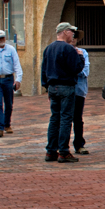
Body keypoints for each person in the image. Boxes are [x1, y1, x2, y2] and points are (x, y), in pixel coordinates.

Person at [41, 22, 86, 163]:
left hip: (52, 86)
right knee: (66, 119)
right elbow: (76, 68)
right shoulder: (69, 49)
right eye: (71, 31)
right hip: (66, 86)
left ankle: (51, 151)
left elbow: (44, 69)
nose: (73, 34)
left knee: (55, 118)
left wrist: (46, 87)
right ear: (65, 32)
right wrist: (80, 57)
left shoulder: (49, 48)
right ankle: (64, 151)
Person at [72, 29, 90, 155]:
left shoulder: (82, 52)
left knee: (77, 118)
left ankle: (79, 144)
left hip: (78, 90)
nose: (73, 39)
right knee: (63, 118)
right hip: (65, 90)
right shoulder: (62, 51)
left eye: (75, 37)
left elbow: (85, 71)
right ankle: (61, 145)